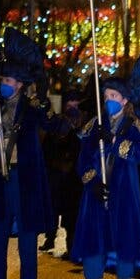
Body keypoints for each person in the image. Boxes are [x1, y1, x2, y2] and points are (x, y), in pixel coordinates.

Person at [0, 28, 67, 279]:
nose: (4, 83)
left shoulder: (32, 105)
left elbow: (53, 124)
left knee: (27, 232)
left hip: (23, 177)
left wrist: (45, 106)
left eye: (9, 79)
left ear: (21, 83)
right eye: (3, 78)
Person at [72, 54, 140, 279]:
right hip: (96, 194)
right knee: (94, 242)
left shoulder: (136, 127)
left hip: (123, 194)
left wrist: (115, 141)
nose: (109, 101)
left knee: (124, 242)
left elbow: (137, 154)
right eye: (106, 96)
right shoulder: (93, 127)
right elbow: (82, 162)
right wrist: (92, 182)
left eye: (113, 97)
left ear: (124, 100)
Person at [42, 90, 84, 260]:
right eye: (70, 102)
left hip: (74, 177)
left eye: (75, 102)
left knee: (71, 215)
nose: (73, 106)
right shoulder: (58, 122)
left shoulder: (83, 123)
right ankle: (49, 238)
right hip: (57, 173)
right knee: (52, 209)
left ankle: (71, 246)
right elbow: (49, 145)